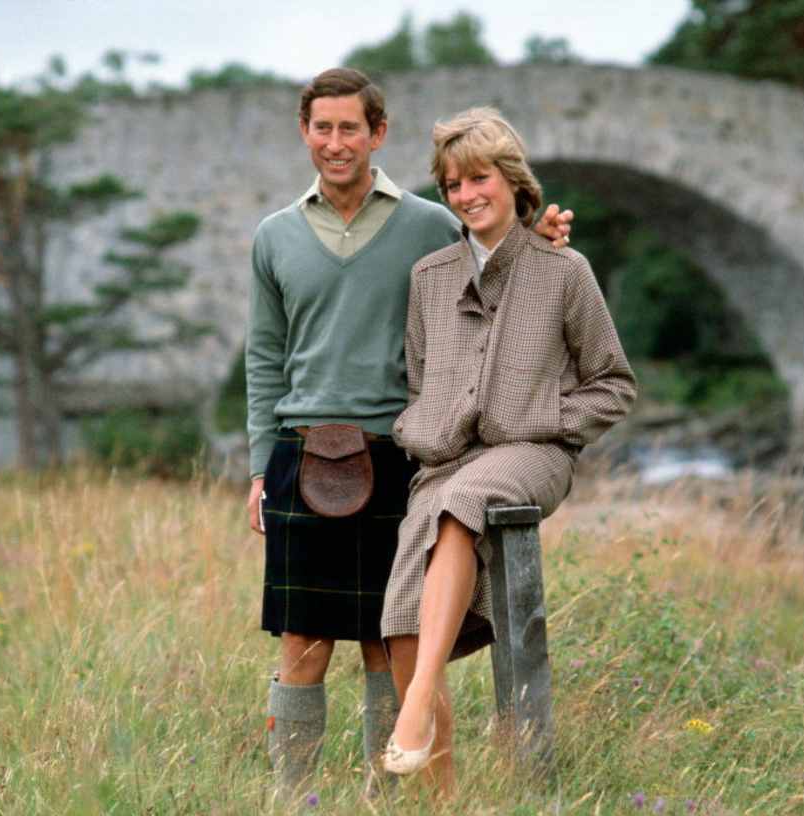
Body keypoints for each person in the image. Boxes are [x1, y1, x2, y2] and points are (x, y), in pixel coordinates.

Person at [245, 70, 573, 794]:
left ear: (377, 134)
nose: (336, 143)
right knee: (302, 643)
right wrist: (257, 466)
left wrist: (543, 239)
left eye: (350, 128)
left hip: (395, 452)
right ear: (305, 133)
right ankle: (291, 800)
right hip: (298, 452)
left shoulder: (430, 223)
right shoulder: (273, 237)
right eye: (322, 128)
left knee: (384, 642)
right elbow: (264, 357)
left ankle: (381, 799)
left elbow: (498, 254)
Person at [380, 107, 637, 792]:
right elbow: (420, 377)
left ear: (511, 179)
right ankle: (444, 802)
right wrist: (428, 423)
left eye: (479, 178)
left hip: (536, 457)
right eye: (452, 185)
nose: (466, 196)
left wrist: (546, 415)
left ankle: (415, 707)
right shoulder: (429, 278)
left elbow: (614, 384)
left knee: (462, 505)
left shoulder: (564, 270)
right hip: (448, 461)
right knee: (399, 616)